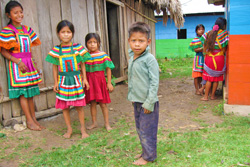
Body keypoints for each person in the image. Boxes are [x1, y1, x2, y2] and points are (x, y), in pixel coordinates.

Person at [0, 1, 43, 131]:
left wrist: (33, 62)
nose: (19, 15)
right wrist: (18, 62)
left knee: (30, 93)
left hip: (29, 63)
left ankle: (34, 119)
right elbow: (3, 51)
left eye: (21, 12)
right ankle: (29, 121)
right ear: (9, 15)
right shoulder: (7, 31)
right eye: (15, 13)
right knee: (23, 93)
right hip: (17, 64)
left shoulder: (27, 30)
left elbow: (29, 48)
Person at [46, 20, 91, 139]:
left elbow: (82, 64)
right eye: (63, 32)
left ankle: (83, 130)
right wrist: (56, 82)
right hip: (63, 81)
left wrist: (85, 79)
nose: (66, 34)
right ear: (58, 34)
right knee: (65, 107)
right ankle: (69, 129)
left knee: (79, 107)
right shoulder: (56, 50)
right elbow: (55, 67)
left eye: (68, 32)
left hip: (76, 80)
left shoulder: (78, 48)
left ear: (72, 33)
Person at [127, 22, 159, 166]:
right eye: (134, 40)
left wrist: (149, 102)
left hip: (148, 102)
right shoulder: (131, 57)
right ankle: (146, 151)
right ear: (129, 41)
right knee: (140, 128)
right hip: (137, 101)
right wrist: (133, 97)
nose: (137, 44)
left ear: (148, 42)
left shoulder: (149, 59)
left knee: (148, 130)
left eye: (141, 41)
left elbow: (154, 82)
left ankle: (148, 157)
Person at [84, 33, 115, 131]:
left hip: (100, 82)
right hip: (90, 83)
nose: (92, 44)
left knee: (103, 103)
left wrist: (109, 83)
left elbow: (108, 68)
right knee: (92, 103)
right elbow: (83, 69)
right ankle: (94, 123)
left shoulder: (103, 55)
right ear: (86, 44)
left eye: (94, 42)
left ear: (99, 43)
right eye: (89, 42)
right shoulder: (85, 56)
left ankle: (107, 124)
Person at [200, 17, 229, 101]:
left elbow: (203, 45)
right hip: (219, 57)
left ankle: (205, 97)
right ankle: (212, 96)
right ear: (223, 25)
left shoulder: (208, 33)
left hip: (209, 57)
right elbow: (225, 47)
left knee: (209, 78)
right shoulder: (224, 34)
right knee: (216, 79)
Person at [189, 24, 205, 95]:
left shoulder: (204, 39)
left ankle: (201, 88)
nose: (201, 31)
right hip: (198, 58)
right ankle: (197, 89)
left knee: (201, 75)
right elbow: (196, 50)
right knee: (196, 75)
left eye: (202, 29)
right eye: (199, 29)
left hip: (203, 58)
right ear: (196, 31)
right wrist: (203, 48)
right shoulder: (196, 40)